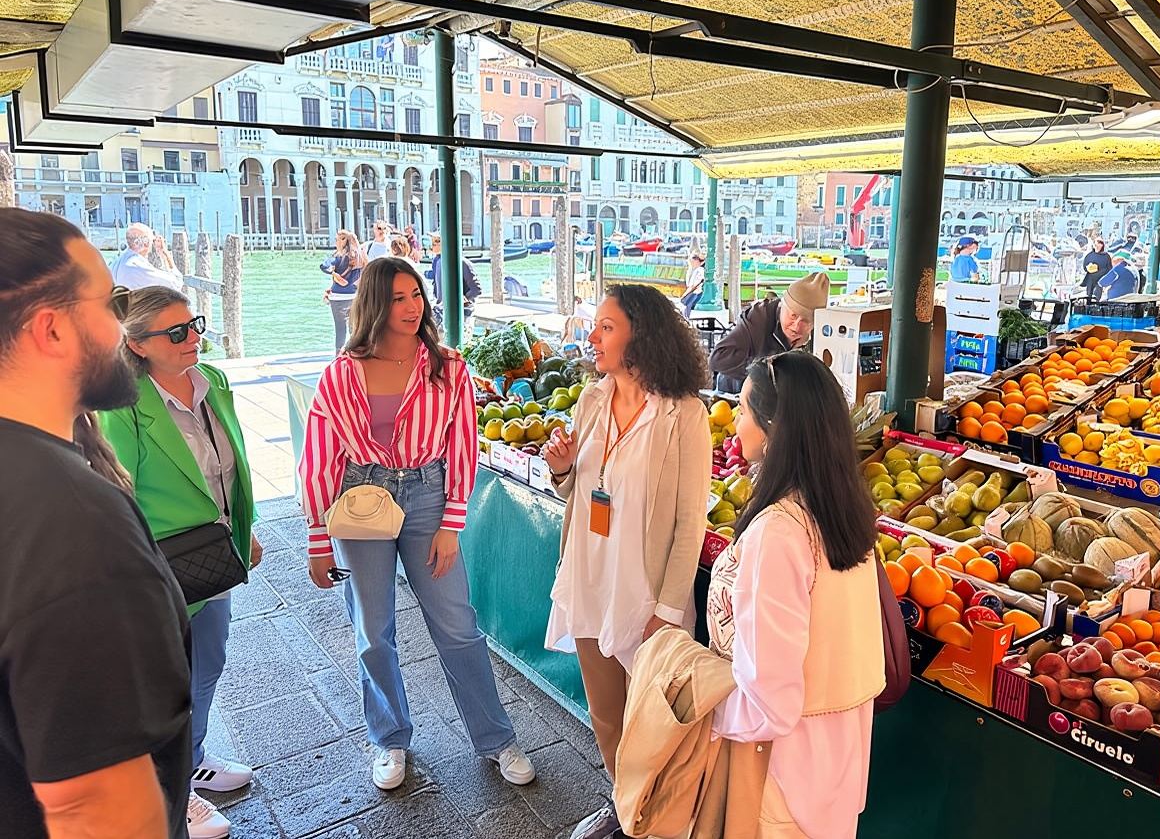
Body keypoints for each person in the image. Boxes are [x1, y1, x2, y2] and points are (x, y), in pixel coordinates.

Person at [298, 256, 535, 792]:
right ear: (373, 304)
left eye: (416, 296)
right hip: (360, 496)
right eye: (398, 297)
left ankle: (496, 738)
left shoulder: (449, 366)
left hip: (428, 496)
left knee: (456, 625)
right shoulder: (340, 373)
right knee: (372, 633)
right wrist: (318, 539)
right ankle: (389, 738)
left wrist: (453, 522)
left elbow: (463, 446)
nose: (411, 307)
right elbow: (319, 456)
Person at [0, 208, 191, 839]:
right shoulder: (71, 522)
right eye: (109, 304)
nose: (120, 327)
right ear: (51, 329)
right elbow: (96, 809)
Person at [542, 284, 712, 839]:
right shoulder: (592, 400)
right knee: (606, 714)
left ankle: (658, 818)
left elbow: (692, 521)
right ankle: (623, 810)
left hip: (645, 595)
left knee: (654, 726)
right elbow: (579, 492)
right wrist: (564, 470)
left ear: (642, 336)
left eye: (606, 327)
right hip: (591, 578)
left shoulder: (683, 414)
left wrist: (666, 609)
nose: (591, 336)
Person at [98, 286, 264, 839]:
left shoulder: (212, 382)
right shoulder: (123, 404)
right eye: (175, 333)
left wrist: (246, 530)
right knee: (164, 680)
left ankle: (187, 761)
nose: (193, 337)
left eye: (192, 324)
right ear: (138, 345)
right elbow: (118, 492)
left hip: (213, 554)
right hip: (159, 562)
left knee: (207, 664)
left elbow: (234, 460)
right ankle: (169, 792)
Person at [707, 350, 884, 837]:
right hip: (839, 765)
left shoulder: (779, 532)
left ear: (773, 426)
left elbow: (770, 700)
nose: (734, 424)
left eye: (742, 410)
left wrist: (705, 706)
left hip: (783, 774)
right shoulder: (846, 513)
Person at [709, 271, 830, 394]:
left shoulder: (822, 334)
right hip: (737, 395)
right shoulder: (758, 318)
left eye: (805, 321)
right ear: (782, 305)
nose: (796, 326)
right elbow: (718, 358)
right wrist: (763, 374)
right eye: (793, 315)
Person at [427, 231, 482, 337]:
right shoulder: (437, 261)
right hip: (442, 310)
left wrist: (461, 300)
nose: (433, 245)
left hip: (462, 313)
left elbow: (476, 289)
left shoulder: (462, 263)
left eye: (437, 241)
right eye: (433, 242)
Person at [322, 230, 366, 354]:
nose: (335, 242)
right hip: (354, 296)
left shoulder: (338, 257)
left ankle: (339, 357)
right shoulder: (360, 256)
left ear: (343, 241)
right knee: (354, 328)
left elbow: (324, 266)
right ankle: (355, 354)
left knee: (340, 329)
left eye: (337, 239)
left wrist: (334, 274)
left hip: (338, 298)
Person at [113, 222, 183, 291]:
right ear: (146, 242)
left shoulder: (117, 262)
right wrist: (164, 253)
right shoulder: (138, 267)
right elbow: (176, 283)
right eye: (152, 241)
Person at [680, 253, 706, 317]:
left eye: (692, 262)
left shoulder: (699, 270)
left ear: (696, 261)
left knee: (686, 307)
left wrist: (685, 294)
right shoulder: (696, 270)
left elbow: (694, 285)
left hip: (695, 292)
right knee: (687, 307)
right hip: (694, 291)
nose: (691, 264)